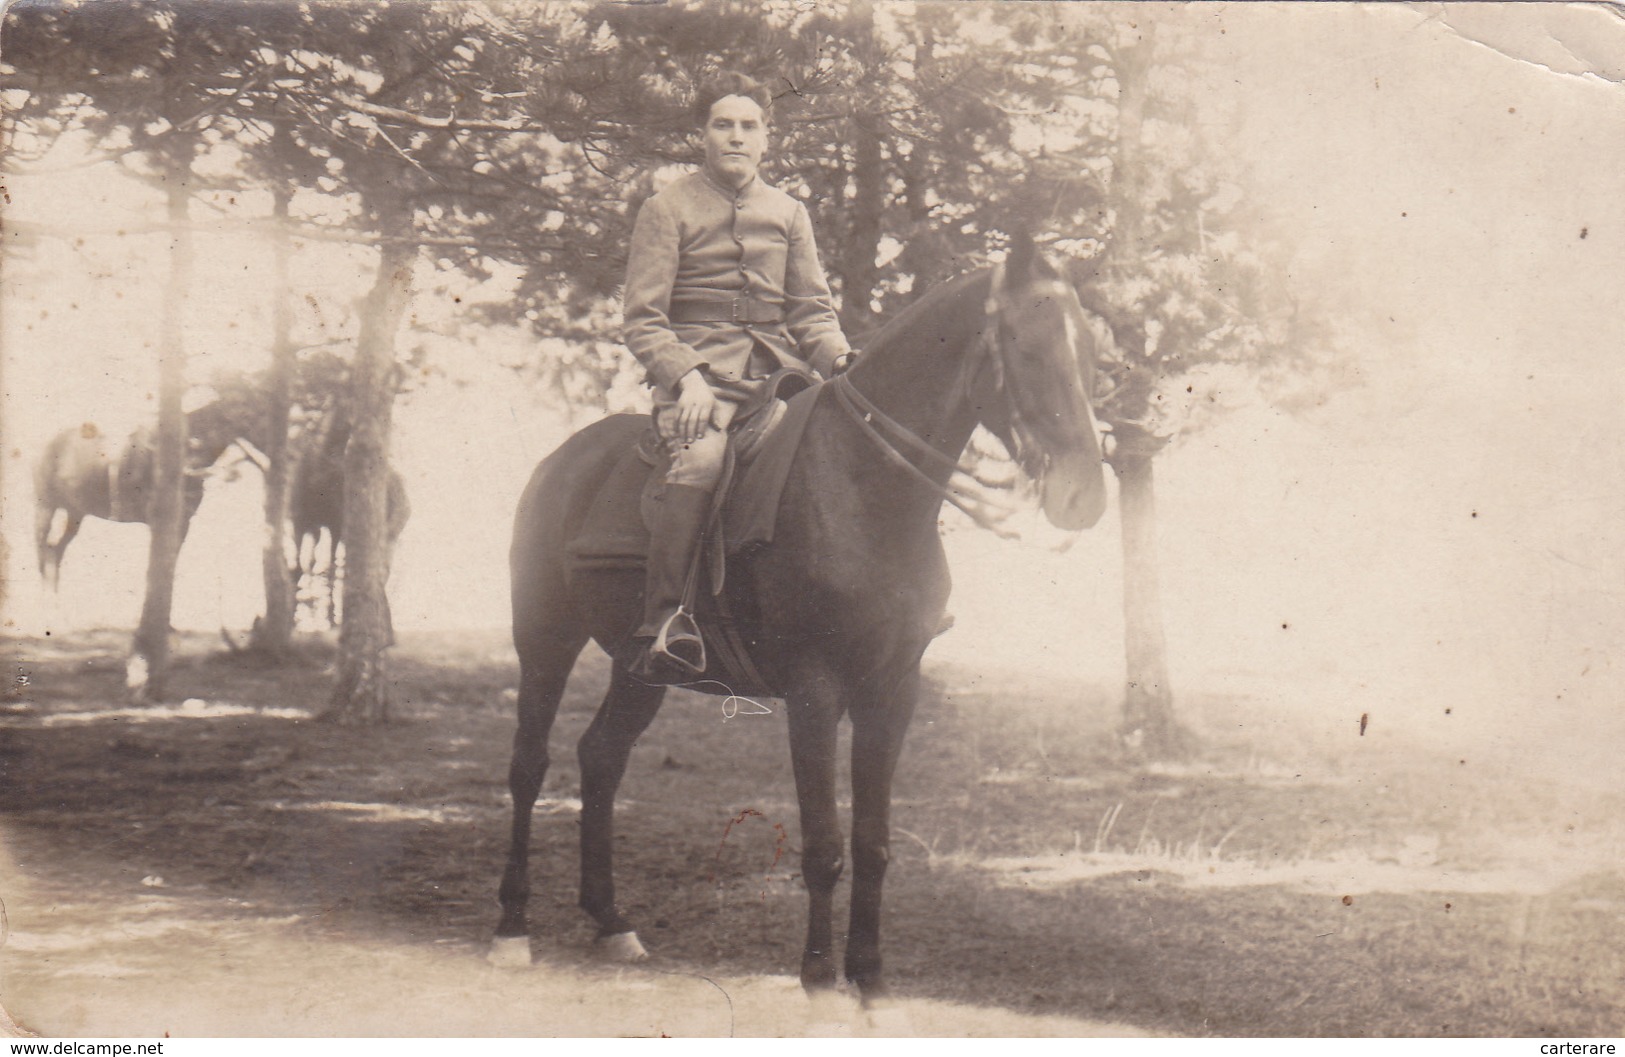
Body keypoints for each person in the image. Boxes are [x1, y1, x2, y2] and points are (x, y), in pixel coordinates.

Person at [621, 71, 855, 684]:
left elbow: (810, 310)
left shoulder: (788, 211)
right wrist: (687, 379)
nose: (736, 136)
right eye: (723, 124)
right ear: (702, 134)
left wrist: (837, 359)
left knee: (852, 447)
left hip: (780, 379)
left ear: (766, 140)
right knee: (700, 462)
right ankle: (666, 622)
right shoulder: (666, 208)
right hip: (700, 384)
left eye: (749, 126)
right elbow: (643, 321)